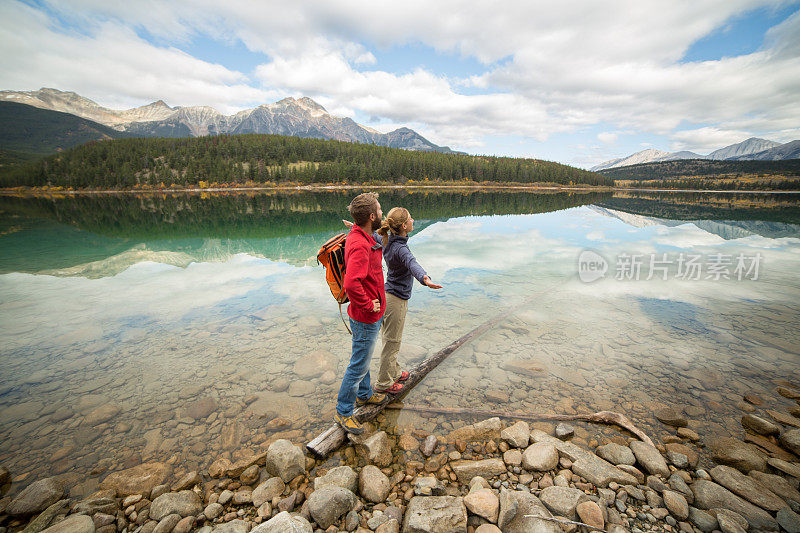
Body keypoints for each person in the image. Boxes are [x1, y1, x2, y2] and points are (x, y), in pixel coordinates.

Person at [344, 207, 442, 396]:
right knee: (392, 342)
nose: (414, 220)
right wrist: (425, 279)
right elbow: (412, 263)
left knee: (391, 339)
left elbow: (374, 237)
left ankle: (394, 372)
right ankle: (383, 383)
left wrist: (354, 227)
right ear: (404, 226)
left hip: (387, 295)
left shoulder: (386, 239)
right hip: (396, 299)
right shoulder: (400, 248)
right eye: (411, 218)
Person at [334, 192, 386, 434]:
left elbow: (376, 229)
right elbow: (352, 284)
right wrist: (368, 304)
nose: (383, 213)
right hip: (365, 316)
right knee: (358, 364)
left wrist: (354, 223)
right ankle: (343, 411)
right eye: (380, 209)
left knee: (363, 357)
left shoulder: (363, 234)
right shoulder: (360, 244)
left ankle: (364, 395)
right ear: (372, 216)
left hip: (367, 315)